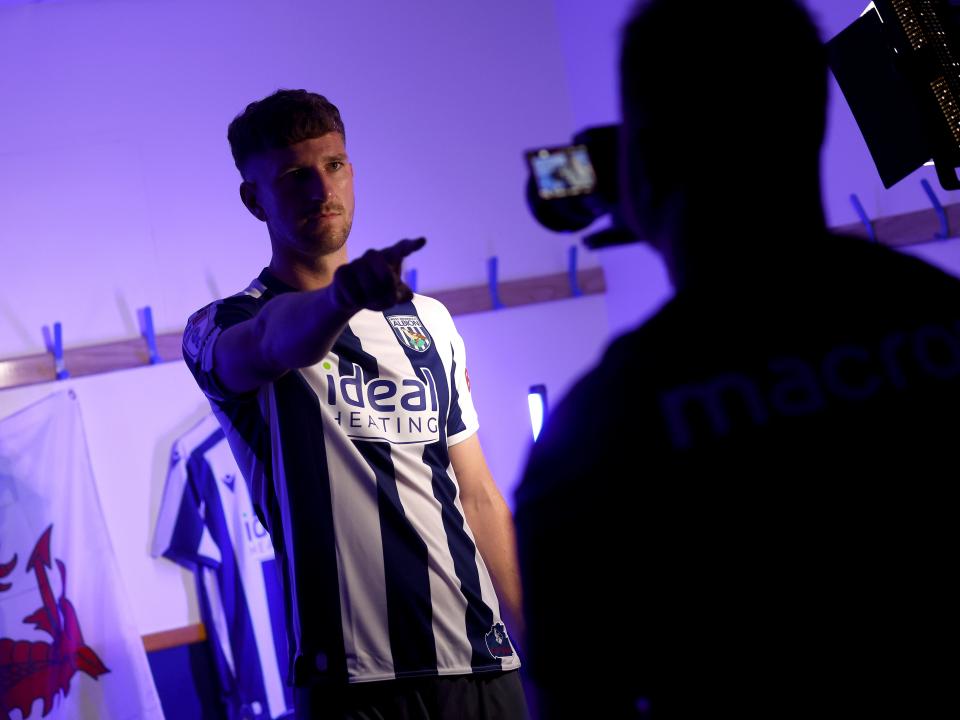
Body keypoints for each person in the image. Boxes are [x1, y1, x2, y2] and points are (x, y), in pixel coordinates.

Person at [515, 1, 960, 718]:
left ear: (642, 163)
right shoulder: (941, 314)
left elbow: (576, 696)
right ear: (812, 125)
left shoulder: (602, 432)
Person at [182, 89, 528, 720]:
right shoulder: (221, 324)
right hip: (351, 682)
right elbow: (270, 341)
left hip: (481, 661)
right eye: (294, 175)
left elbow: (475, 493)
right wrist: (345, 297)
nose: (322, 189)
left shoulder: (431, 320)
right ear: (253, 198)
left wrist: (543, 645)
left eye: (334, 165)